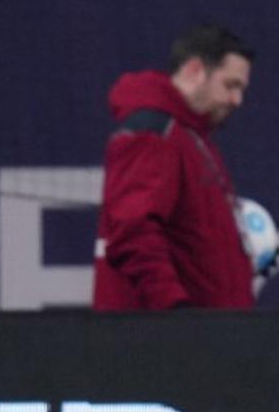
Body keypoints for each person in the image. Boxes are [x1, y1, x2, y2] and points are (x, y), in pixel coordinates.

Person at [93, 24, 256, 310]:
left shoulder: (191, 138)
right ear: (195, 70)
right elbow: (132, 232)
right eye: (230, 85)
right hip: (163, 343)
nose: (237, 100)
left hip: (202, 337)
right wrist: (174, 311)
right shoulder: (153, 135)